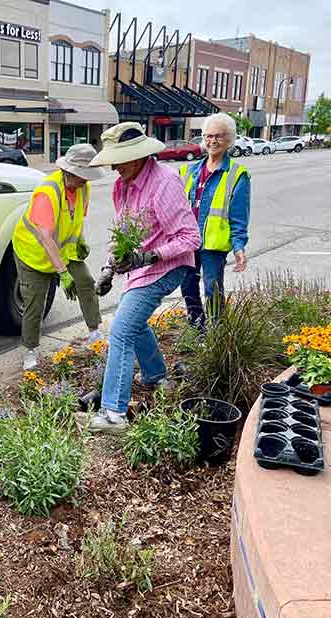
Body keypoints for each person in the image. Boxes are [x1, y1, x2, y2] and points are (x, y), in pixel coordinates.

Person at [83, 122, 201, 433]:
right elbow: (122, 234)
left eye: (119, 159)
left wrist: (148, 257)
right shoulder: (121, 184)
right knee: (134, 323)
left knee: (121, 329)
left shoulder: (164, 183)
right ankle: (157, 377)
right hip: (140, 268)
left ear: (138, 156)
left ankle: (114, 414)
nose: (113, 167)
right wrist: (109, 268)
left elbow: (191, 238)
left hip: (168, 265)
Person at [12, 143, 105, 370]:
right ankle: (30, 350)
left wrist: (80, 240)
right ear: (69, 172)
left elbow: (76, 218)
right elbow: (46, 238)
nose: (87, 180)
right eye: (83, 176)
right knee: (36, 300)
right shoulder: (47, 193)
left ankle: (95, 333)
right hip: (32, 253)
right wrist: (62, 273)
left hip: (63, 250)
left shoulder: (83, 187)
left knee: (85, 282)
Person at [179, 112, 251, 326]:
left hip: (213, 245)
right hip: (188, 242)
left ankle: (219, 332)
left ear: (229, 139)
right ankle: (197, 327)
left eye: (219, 136)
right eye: (208, 136)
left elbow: (239, 217)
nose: (212, 141)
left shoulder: (237, 174)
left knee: (213, 289)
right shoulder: (188, 170)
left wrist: (239, 247)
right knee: (187, 285)